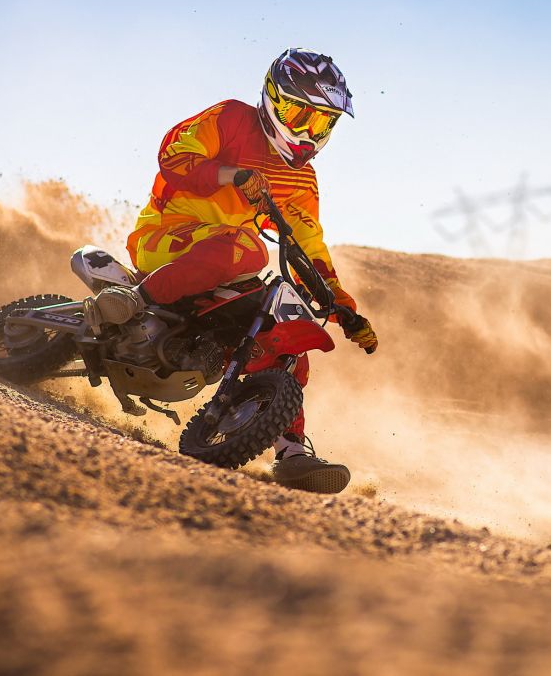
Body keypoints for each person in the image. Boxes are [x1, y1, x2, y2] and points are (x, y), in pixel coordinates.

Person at [82, 48, 377, 493]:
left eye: (321, 122)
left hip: (228, 264)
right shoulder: (232, 118)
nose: (308, 131)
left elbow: (307, 245)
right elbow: (173, 157)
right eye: (300, 114)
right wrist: (232, 176)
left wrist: (344, 310)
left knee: (284, 318)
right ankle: (131, 300)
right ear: (274, 100)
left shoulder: (301, 179)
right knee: (249, 247)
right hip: (168, 240)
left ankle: (292, 452)